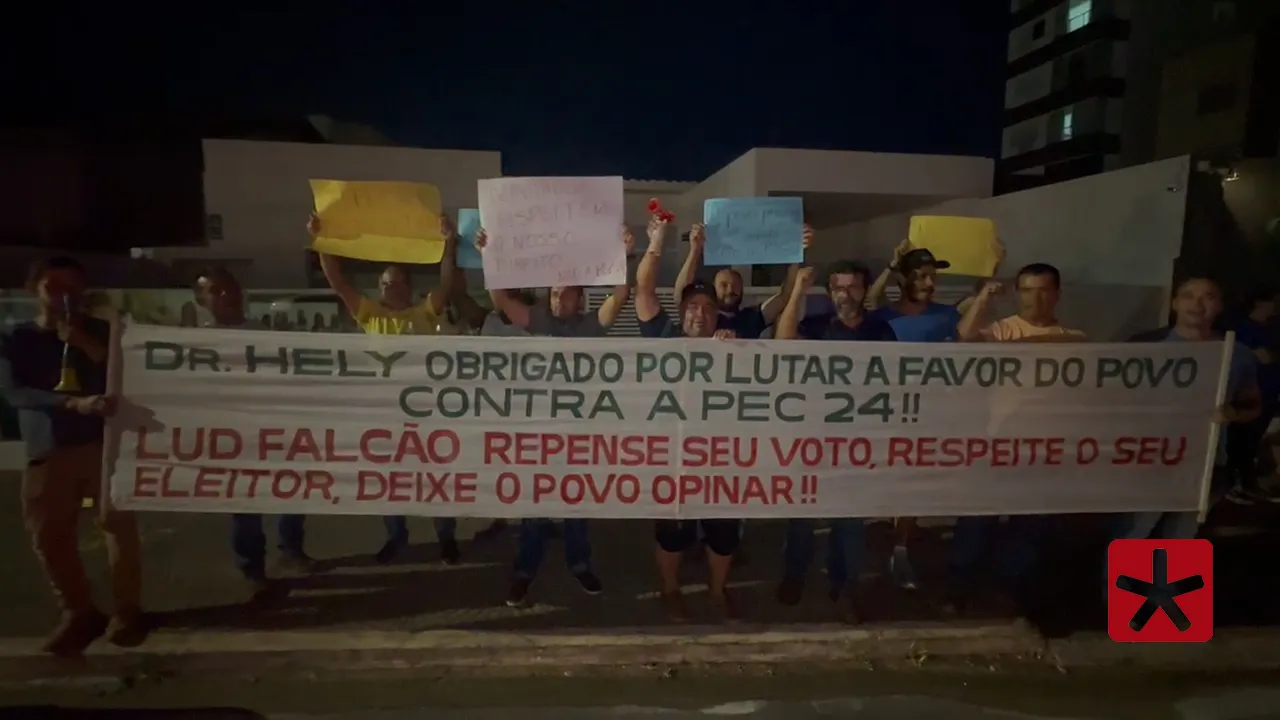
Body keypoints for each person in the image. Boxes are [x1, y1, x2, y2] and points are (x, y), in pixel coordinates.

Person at [474, 226, 634, 605]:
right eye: (556, 292)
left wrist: (624, 255)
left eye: (569, 292)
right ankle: (525, 571)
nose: (561, 297)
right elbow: (500, 299)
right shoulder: (539, 322)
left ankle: (579, 564)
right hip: (540, 434)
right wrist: (488, 253)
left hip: (578, 433)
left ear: (581, 299)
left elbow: (621, 296)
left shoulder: (590, 327)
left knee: (576, 504)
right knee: (536, 507)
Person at [0, 257, 146, 656]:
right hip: (49, 450)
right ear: (33, 290)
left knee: (117, 527)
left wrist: (83, 342)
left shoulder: (102, 332)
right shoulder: (15, 338)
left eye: (73, 286)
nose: (65, 295)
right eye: (54, 286)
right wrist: (70, 404)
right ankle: (79, 611)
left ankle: (128, 610)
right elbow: (15, 392)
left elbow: (124, 374)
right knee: (49, 536)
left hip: (105, 447)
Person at [308, 213, 463, 565]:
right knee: (389, 479)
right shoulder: (370, 314)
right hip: (385, 416)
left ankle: (446, 536)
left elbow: (447, 282)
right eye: (386, 284)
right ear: (379, 290)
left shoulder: (426, 312)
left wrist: (448, 244)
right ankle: (396, 536)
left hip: (427, 414)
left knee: (435, 477)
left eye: (398, 283)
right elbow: (339, 283)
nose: (392, 289)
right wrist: (321, 243)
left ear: (409, 287)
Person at [950, 263, 1083, 613]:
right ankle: (960, 587)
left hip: (1048, 449)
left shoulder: (1076, 339)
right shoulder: (1002, 331)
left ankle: (1007, 590)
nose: (1035, 298)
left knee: (1031, 526)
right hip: (999, 443)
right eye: (1026, 290)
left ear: (1056, 294)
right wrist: (985, 298)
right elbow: (963, 340)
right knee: (978, 520)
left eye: (1043, 290)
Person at [774, 261, 896, 623]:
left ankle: (845, 588)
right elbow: (783, 341)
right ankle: (794, 575)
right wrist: (798, 288)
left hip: (859, 442)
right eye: (838, 288)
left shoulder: (881, 331)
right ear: (829, 292)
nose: (845, 294)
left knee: (851, 521)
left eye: (852, 287)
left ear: (865, 290)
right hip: (813, 438)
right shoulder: (817, 326)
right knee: (802, 517)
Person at [636, 214, 742, 621]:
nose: (700, 313)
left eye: (708, 307)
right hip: (673, 457)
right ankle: (670, 589)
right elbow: (644, 289)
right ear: (681, 312)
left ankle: (717, 591)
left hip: (720, 458)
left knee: (724, 532)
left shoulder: (732, 347)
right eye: (693, 306)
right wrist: (657, 241)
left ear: (718, 315)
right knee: (672, 532)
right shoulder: (664, 338)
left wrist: (735, 354)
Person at [193, 267, 314, 595]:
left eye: (230, 288)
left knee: (292, 489)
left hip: (274, 428)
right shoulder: (194, 344)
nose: (226, 295)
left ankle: (292, 550)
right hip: (233, 437)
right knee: (245, 503)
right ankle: (252, 569)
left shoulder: (265, 334)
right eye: (215, 291)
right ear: (201, 301)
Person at [1120, 276, 1260, 540]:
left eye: (1208, 297)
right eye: (1188, 296)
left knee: (1182, 537)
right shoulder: (1142, 348)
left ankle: (1165, 572)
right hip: (1149, 461)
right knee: (1134, 533)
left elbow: (1253, 406)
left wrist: (1233, 413)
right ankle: (1123, 571)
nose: (1197, 304)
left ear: (1219, 306)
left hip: (1206, 464)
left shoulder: (1237, 354)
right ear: (1174, 303)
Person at [867, 246, 962, 591]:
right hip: (883, 414)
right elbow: (869, 301)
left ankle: (900, 549)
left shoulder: (946, 316)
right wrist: (891, 266)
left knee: (912, 485)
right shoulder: (883, 317)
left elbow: (974, 322)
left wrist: (991, 270)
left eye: (933, 276)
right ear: (903, 279)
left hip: (926, 416)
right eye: (920, 276)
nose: (929, 283)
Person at [674, 222, 811, 339]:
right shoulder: (702, 316)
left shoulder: (751, 318)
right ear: (713, 289)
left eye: (736, 285)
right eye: (724, 285)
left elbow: (784, 296)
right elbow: (682, 293)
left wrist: (797, 252)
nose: (730, 289)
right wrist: (695, 250)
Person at [1226, 288, 1280, 503]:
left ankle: (1248, 483)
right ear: (1259, 303)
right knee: (1242, 441)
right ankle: (1235, 484)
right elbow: (1252, 357)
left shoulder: (1271, 330)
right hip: (1250, 396)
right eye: (1273, 301)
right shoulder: (1244, 329)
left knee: (1254, 441)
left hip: (1270, 394)